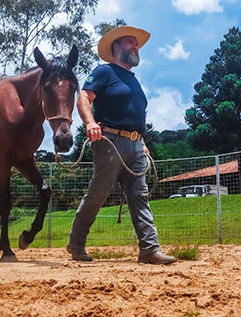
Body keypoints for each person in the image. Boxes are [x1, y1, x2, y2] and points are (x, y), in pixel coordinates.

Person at [66, 25, 176, 265]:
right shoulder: (104, 72)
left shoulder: (133, 81)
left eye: (136, 44)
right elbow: (83, 97)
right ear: (116, 47)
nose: (135, 47)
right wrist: (90, 123)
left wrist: (142, 142)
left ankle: (149, 249)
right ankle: (76, 244)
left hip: (136, 146)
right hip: (109, 142)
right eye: (130, 43)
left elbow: (135, 115)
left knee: (140, 197)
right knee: (98, 194)